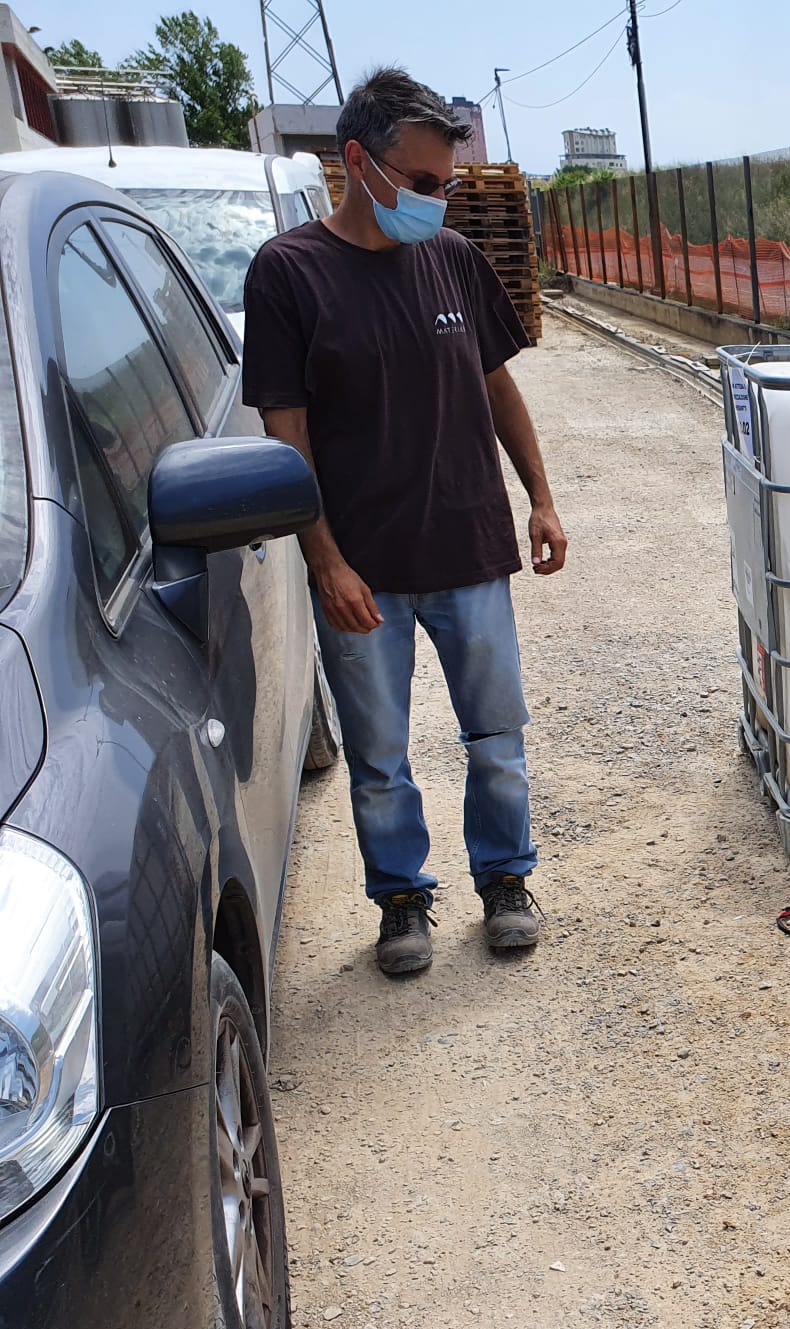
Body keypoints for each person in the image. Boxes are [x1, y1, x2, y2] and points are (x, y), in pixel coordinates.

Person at [242, 68, 568, 976]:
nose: (438, 199)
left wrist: (540, 498)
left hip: (468, 548)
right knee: (380, 755)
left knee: (497, 739)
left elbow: (498, 386)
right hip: (364, 571)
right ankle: (401, 899)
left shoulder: (453, 259)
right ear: (358, 161)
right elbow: (285, 432)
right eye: (422, 181)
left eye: (446, 184)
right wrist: (325, 561)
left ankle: (505, 881)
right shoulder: (289, 273)